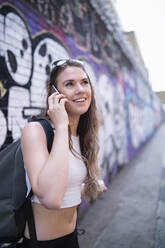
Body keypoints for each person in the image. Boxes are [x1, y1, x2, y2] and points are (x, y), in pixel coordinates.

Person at [21, 58, 107, 248]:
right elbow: (51, 198)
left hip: (72, 238)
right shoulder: (36, 131)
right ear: (55, 93)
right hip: (42, 244)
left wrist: (91, 186)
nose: (80, 89)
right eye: (69, 84)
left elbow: (65, 186)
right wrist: (61, 125)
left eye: (84, 82)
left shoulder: (83, 134)